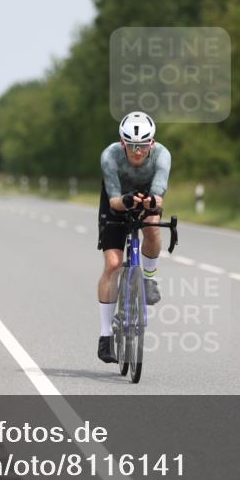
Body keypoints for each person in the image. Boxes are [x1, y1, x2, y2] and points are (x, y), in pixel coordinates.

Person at [96, 111, 171, 364]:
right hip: (115, 200)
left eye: (142, 145)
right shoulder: (110, 156)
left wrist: (150, 201)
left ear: (152, 142)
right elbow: (115, 200)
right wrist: (126, 201)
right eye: (132, 145)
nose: (137, 151)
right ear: (122, 142)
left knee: (152, 224)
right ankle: (106, 337)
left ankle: (148, 279)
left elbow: (158, 195)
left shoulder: (162, 155)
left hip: (147, 197)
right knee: (113, 264)